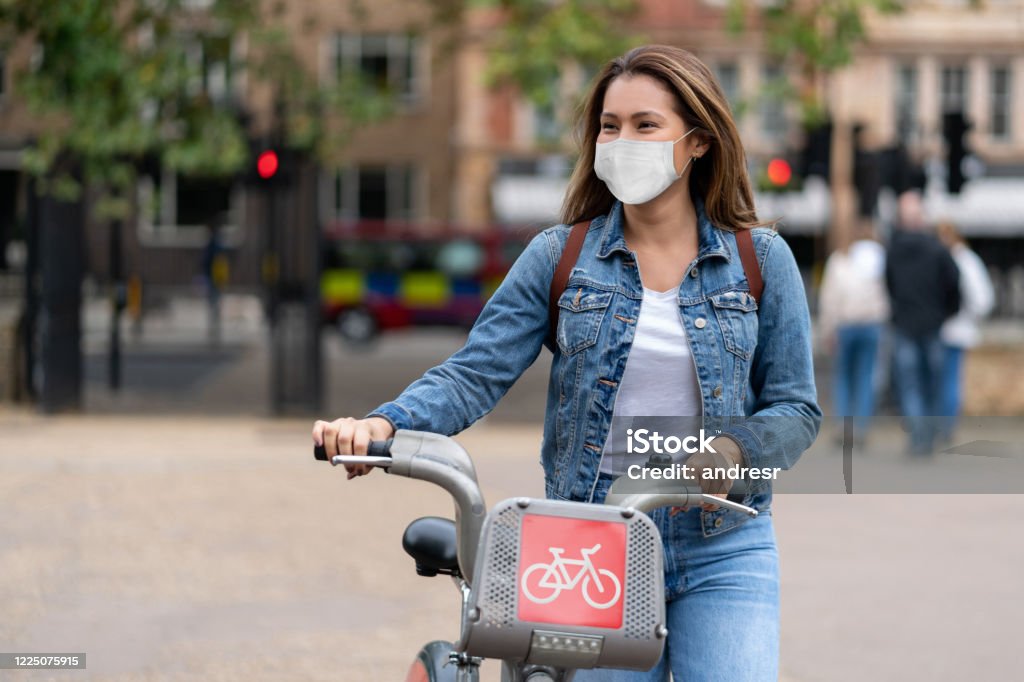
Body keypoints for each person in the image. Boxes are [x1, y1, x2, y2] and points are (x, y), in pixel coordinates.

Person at [313, 45, 820, 681]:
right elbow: (475, 373)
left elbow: (797, 410)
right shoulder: (559, 256)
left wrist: (735, 449)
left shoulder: (762, 261)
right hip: (591, 547)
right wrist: (383, 425)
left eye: (645, 125)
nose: (622, 140)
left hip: (724, 543)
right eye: (610, 126)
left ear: (698, 143)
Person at [884, 191, 960, 455]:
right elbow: (954, 283)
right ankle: (928, 434)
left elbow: (889, 285)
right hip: (932, 324)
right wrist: (947, 312)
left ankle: (917, 435)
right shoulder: (937, 248)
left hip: (905, 323)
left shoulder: (893, 250)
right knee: (933, 382)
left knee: (910, 384)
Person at [818, 221, 889, 443]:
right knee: (866, 376)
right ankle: (862, 427)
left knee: (843, 377)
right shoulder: (880, 260)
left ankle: (843, 426)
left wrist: (827, 328)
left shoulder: (840, 260)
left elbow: (829, 297)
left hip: (845, 325)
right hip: (871, 324)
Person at [936, 221, 994, 442]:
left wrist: (966, 316)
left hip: (951, 329)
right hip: (953, 328)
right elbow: (983, 300)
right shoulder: (966, 260)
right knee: (947, 380)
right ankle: (943, 425)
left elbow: (981, 299)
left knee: (945, 380)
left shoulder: (964, 261)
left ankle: (943, 425)